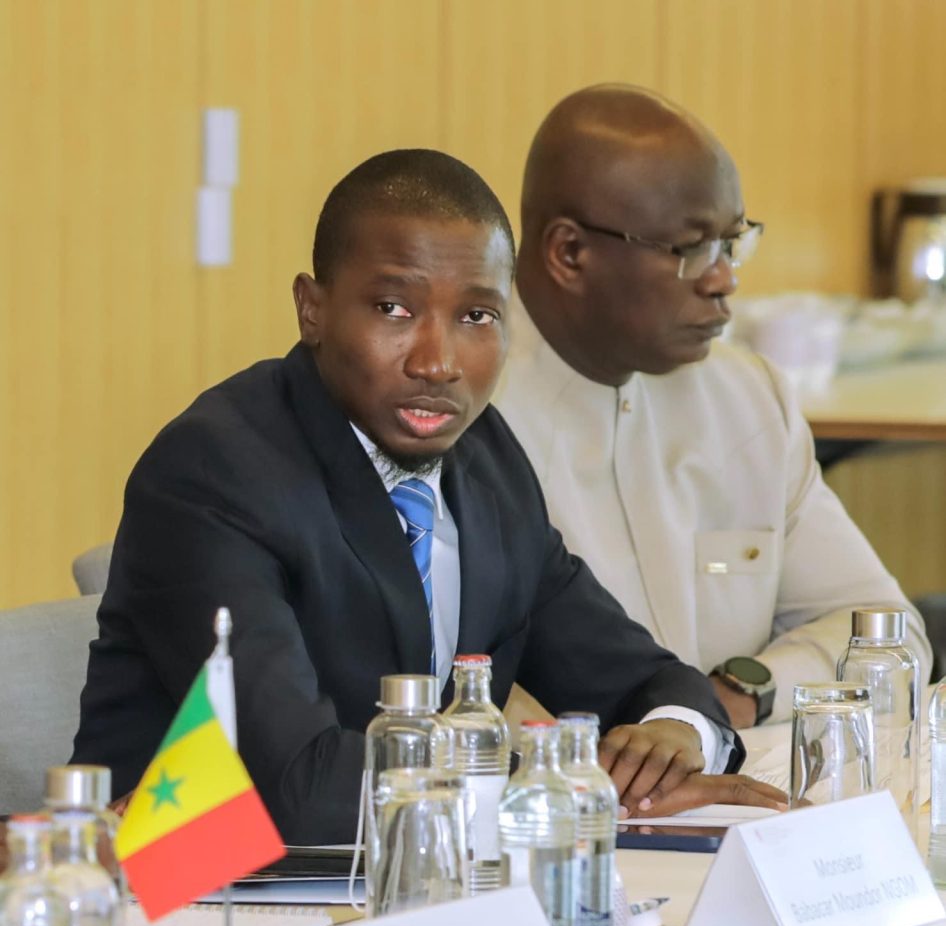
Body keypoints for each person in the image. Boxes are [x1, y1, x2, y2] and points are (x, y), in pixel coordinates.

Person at [71, 149, 785, 843]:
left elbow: (641, 676)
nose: (438, 362)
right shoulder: (214, 472)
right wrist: (574, 786)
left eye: (477, 316)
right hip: (192, 891)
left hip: (418, 878)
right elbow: (299, 790)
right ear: (312, 309)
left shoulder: (485, 459)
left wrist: (671, 739)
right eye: (393, 308)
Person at [495, 85, 932, 730]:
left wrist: (734, 697)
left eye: (732, 243)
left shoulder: (748, 397)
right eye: (691, 248)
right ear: (569, 253)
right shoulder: (456, 415)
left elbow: (890, 641)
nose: (724, 278)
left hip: (751, 776)